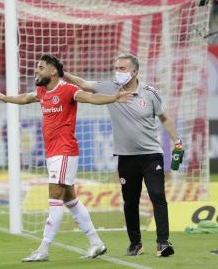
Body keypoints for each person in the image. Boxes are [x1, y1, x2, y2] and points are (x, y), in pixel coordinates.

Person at [0, 54, 133, 262]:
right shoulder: (42, 91)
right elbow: (25, 98)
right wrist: (6, 98)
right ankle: (96, 243)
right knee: (71, 200)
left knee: (54, 199)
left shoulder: (67, 89)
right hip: (53, 153)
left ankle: (43, 249)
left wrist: (113, 98)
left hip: (65, 151)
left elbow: (91, 98)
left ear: (53, 71)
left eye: (41, 67)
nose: (36, 71)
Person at [64, 53, 183, 257]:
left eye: (122, 69)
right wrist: (61, 72)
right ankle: (135, 244)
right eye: (116, 68)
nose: (117, 72)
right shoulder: (110, 88)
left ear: (134, 71)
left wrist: (177, 141)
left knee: (157, 196)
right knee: (130, 201)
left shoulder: (149, 93)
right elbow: (83, 83)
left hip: (151, 155)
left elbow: (164, 118)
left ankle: (163, 243)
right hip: (126, 157)